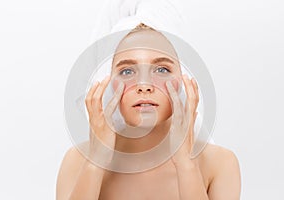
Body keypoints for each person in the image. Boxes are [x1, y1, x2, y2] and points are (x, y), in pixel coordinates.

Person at [56, 23, 241, 200]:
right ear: (108, 85)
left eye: (162, 69)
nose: (144, 85)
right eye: (127, 71)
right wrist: (95, 163)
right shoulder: (77, 161)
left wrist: (186, 164)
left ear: (184, 83)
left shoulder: (220, 164)